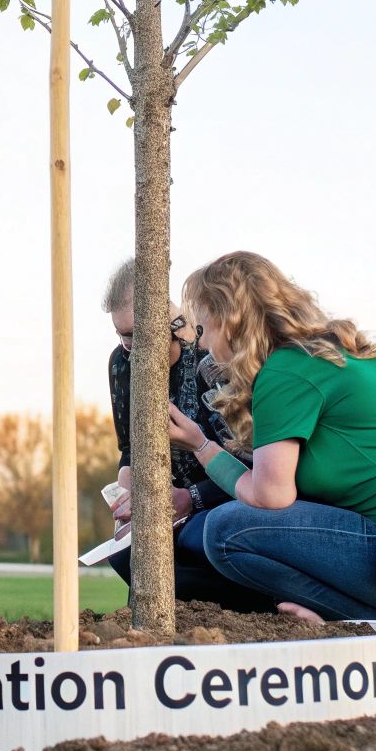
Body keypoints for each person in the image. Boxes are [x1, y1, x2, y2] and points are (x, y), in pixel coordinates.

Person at [169, 252, 376, 623]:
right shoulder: (326, 354)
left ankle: (371, 625)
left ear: (230, 321)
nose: (202, 346)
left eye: (204, 330)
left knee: (225, 531)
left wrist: (202, 447)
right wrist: (201, 444)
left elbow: (269, 495)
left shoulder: (286, 369)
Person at [99, 259, 271, 612]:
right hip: (167, 508)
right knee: (125, 555)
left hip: (230, 498)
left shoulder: (215, 356)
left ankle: (258, 610)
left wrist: (191, 497)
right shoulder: (121, 363)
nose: (128, 346)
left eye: (134, 334)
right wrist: (128, 499)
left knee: (198, 538)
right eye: (120, 334)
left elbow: (256, 460)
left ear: (170, 322)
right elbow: (130, 448)